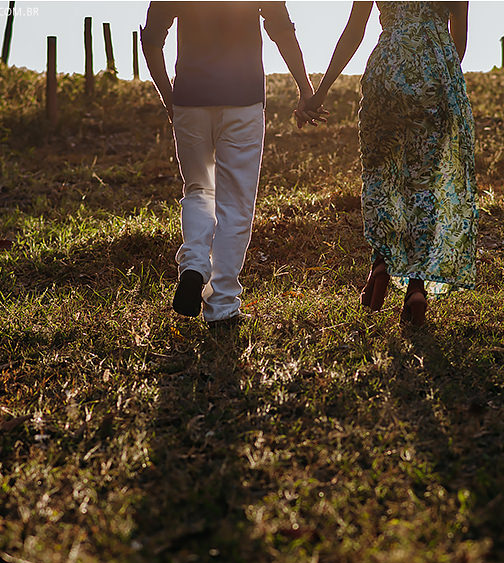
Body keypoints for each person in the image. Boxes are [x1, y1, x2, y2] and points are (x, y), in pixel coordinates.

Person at [141, 2, 324, 324]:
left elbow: (151, 41)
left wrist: (170, 100)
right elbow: (281, 28)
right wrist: (305, 87)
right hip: (243, 99)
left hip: (190, 99)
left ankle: (195, 264)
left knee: (199, 189)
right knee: (236, 203)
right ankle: (222, 304)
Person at [306, 1, 477, 326]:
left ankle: (382, 261)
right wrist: (444, 76)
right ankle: (415, 287)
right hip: (434, 71)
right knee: (423, 181)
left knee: (382, 174)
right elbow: (460, 30)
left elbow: (355, 30)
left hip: (387, 67)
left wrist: (320, 91)